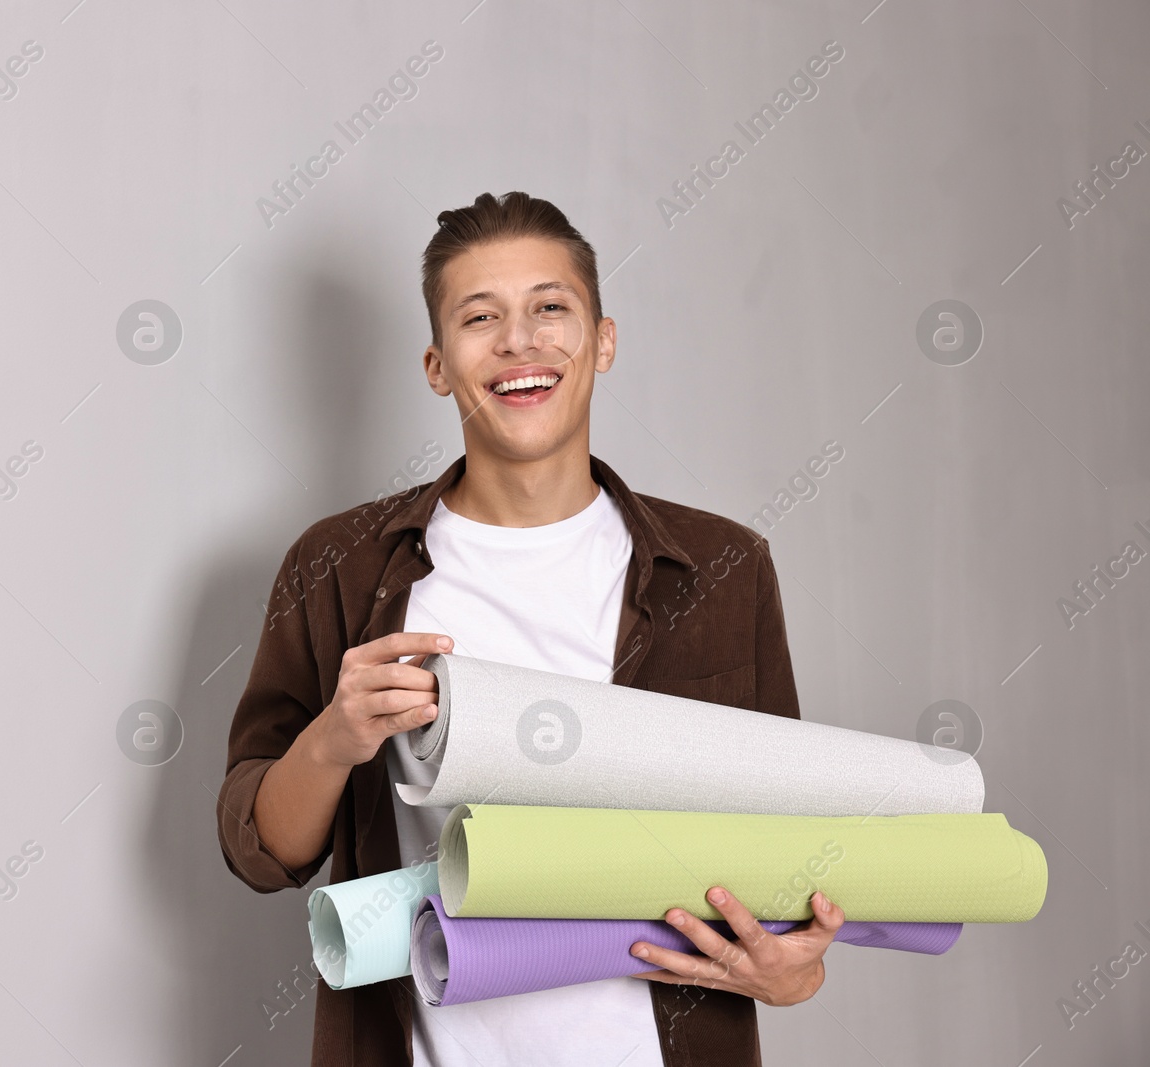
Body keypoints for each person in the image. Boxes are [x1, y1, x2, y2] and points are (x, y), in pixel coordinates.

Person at [216, 191, 845, 1066]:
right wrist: (334, 739)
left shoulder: (722, 566)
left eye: (551, 308)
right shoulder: (340, 567)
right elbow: (262, 851)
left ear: (605, 339)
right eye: (482, 317)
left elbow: (789, 843)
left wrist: (794, 973)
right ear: (438, 364)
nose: (520, 342)